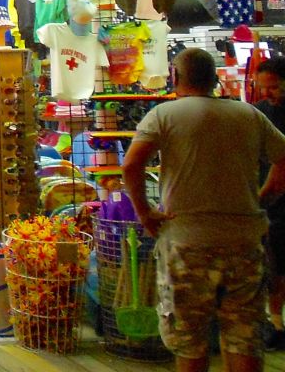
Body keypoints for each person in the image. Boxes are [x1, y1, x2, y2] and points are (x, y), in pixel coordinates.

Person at [122, 48, 285, 372]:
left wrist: (145, 212)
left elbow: (131, 165)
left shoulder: (163, 116)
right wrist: (262, 197)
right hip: (243, 242)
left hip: (186, 243)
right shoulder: (248, 114)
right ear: (214, 79)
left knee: (190, 342)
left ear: (176, 76)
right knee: (243, 339)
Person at [255, 56, 285, 349]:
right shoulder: (259, 112)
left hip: (270, 195)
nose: (267, 94)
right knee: (275, 265)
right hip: (270, 201)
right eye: (263, 88)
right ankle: (276, 322)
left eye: (274, 87)